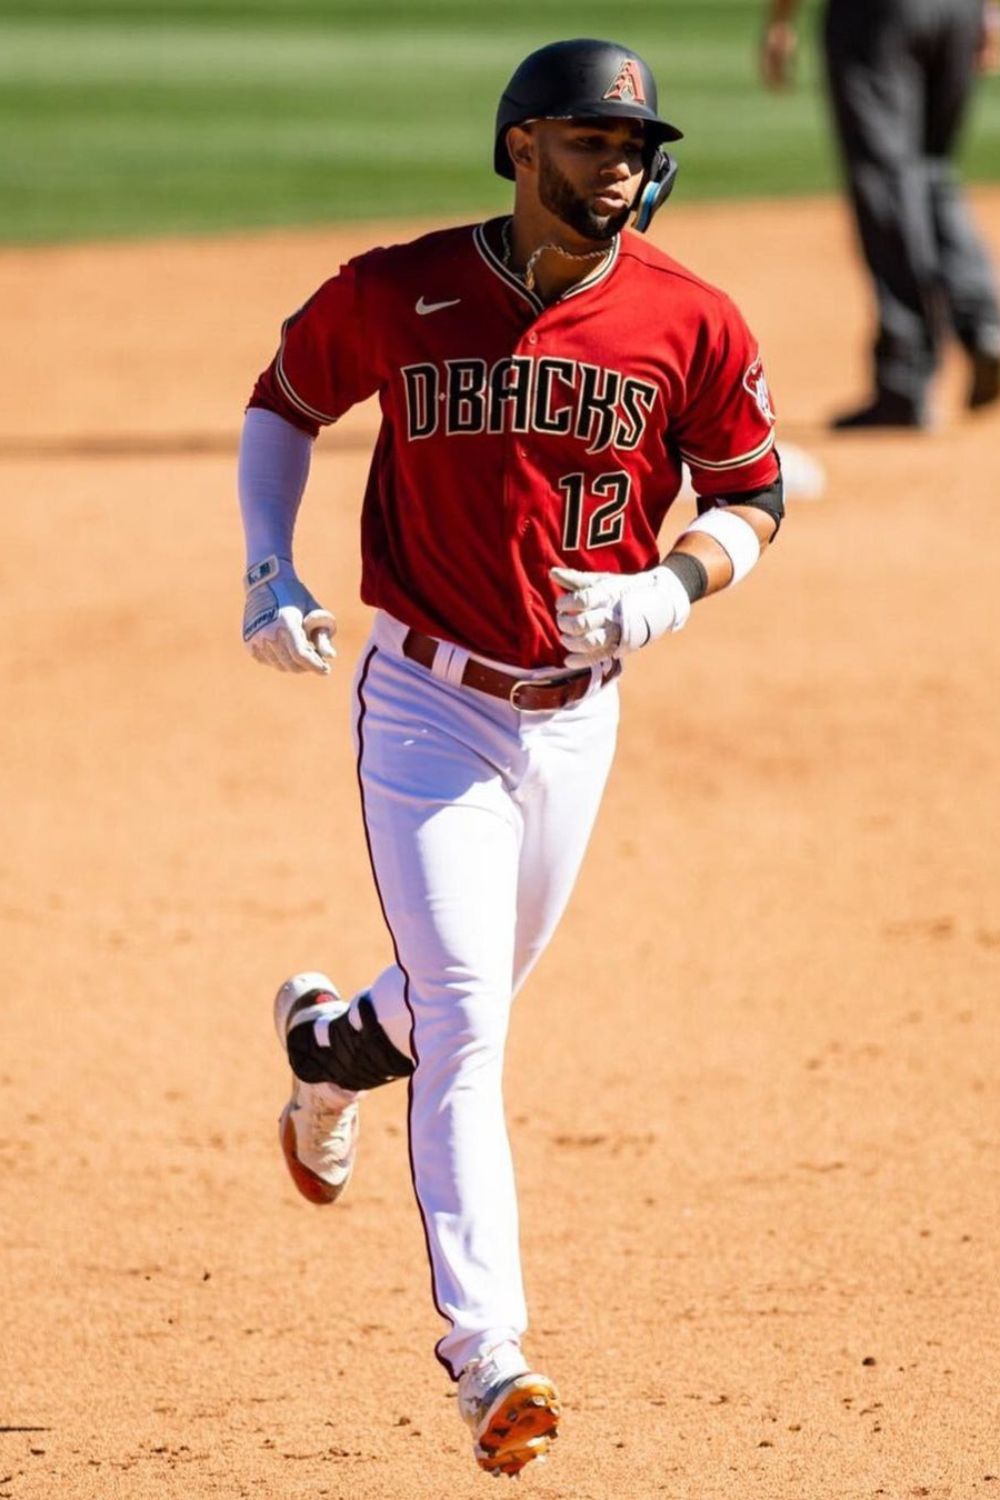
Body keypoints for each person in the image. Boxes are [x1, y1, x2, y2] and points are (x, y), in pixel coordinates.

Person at [238, 37, 784, 1478]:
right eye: (593, 140)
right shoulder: (400, 290)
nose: (621, 163)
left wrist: (671, 588)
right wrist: (264, 571)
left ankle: (321, 1054)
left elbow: (753, 495)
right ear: (520, 146)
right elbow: (284, 401)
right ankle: (492, 1360)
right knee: (471, 1023)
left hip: (579, 716)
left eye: (635, 144)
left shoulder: (691, 322)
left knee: (447, 1001)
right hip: (426, 704)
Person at [761, 0, 1000, 427]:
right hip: (959, 10)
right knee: (932, 169)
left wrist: (780, 21)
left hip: (880, 15)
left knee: (886, 183)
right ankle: (985, 326)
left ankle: (905, 380)